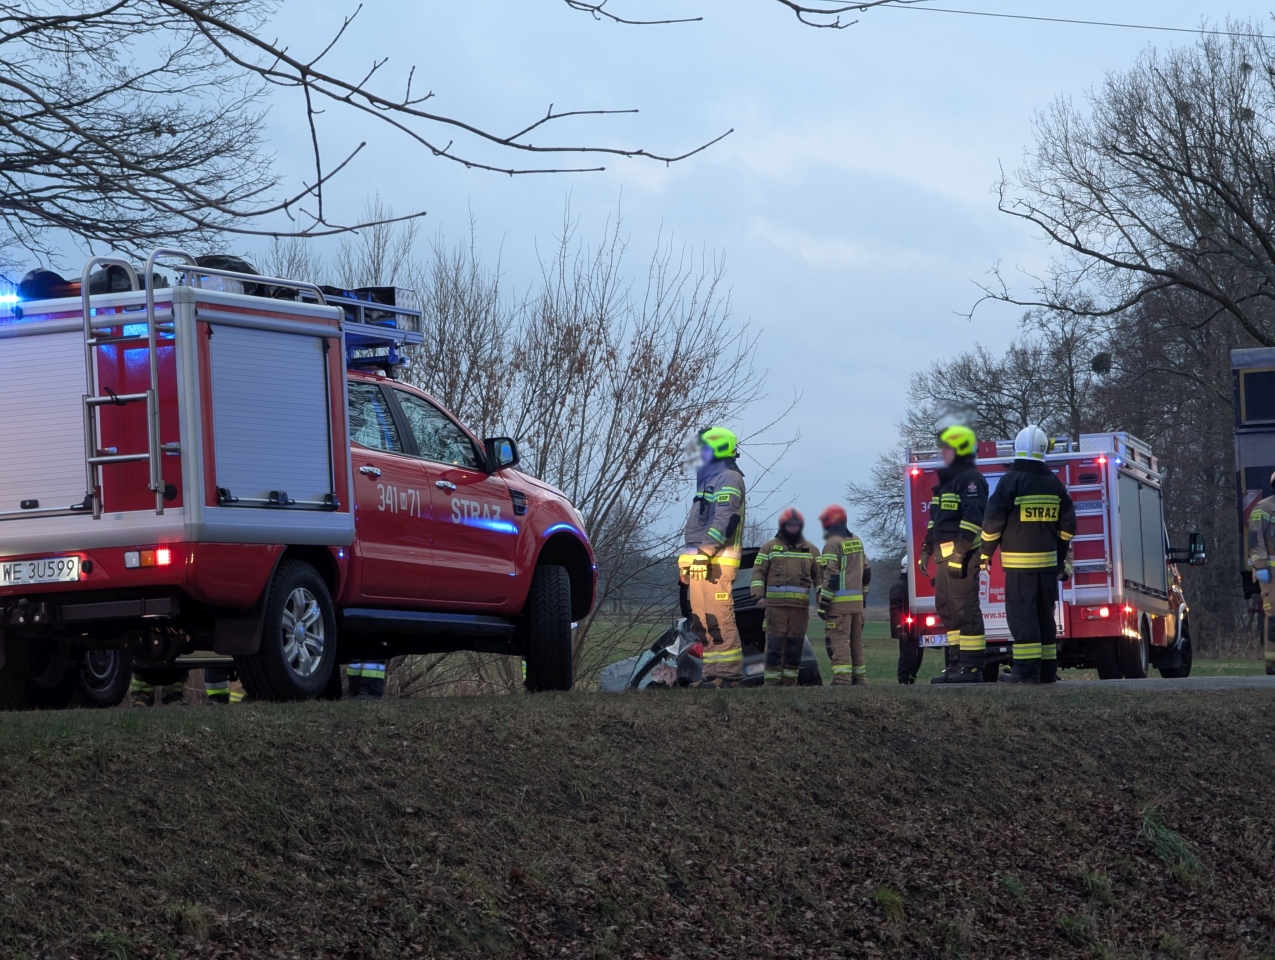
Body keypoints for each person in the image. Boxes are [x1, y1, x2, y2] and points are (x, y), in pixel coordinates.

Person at [980, 425, 1077, 684]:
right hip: (1047, 569)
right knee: (1044, 617)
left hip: (1019, 569)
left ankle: (1025, 671)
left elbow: (992, 523)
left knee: (1023, 618)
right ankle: (1047, 671)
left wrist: (984, 554)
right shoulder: (1054, 483)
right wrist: (1059, 557)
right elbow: (1068, 527)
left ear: (1017, 448)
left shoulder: (1011, 481)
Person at [919, 424, 988, 684]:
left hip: (964, 557)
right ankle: (956, 665)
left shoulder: (971, 481)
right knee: (948, 609)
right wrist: (926, 550)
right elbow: (934, 521)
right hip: (943, 558)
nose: (943, 453)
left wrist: (959, 554)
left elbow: (972, 520)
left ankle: (972, 668)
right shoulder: (945, 483)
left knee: (965, 609)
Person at [680, 427, 747, 688]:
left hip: (717, 563)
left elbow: (725, 520)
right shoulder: (710, 479)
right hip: (701, 562)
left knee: (719, 618)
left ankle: (729, 676)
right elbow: (699, 526)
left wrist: (705, 553)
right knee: (702, 620)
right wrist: (688, 561)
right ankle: (711, 674)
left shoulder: (728, 479)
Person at [751, 508, 820, 686]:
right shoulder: (769, 548)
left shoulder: (811, 550)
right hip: (776, 609)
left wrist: (822, 599)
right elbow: (758, 574)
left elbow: (820, 578)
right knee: (774, 646)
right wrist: (758, 596)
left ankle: (790, 683)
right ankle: (772, 684)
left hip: (799, 610)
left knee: (795, 647)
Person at [817, 505, 871, 685]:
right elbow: (867, 571)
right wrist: (864, 597)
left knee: (839, 642)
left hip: (838, 606)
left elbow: (831, 575)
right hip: (857, 606)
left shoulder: (832, 544)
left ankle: (842, 680)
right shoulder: (857, 541)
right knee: (856, 644)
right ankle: (859, 679)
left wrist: (823, 602)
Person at [1247, 470, 1275, 676]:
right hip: (1271, 576)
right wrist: (1262, 568)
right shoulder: (1264, 508)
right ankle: (1272, 663)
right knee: (1274, 617)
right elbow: (1255, 540)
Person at [890, 557, 923, 684]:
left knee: (917, 656)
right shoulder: (899, 587)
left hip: (917, 628)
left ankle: (911, 679)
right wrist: (900, 628)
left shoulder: (915, 584)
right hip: (906, 629)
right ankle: (903, 681)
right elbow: (895, 610)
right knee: (907, 655)